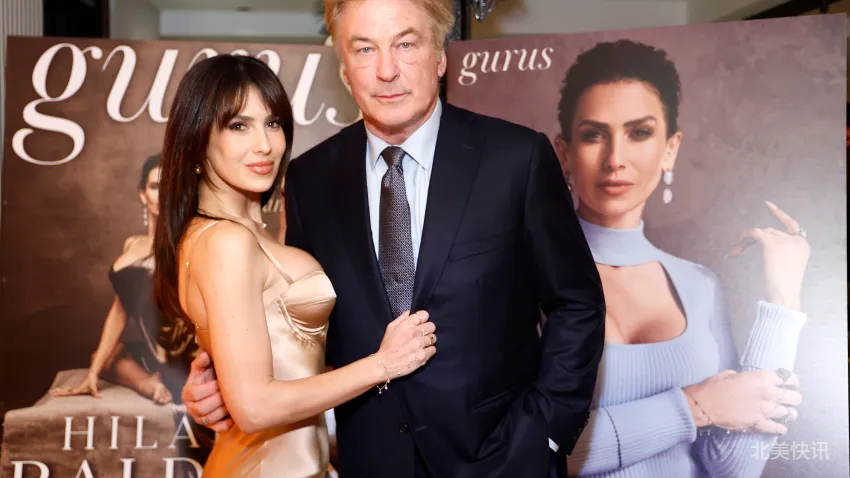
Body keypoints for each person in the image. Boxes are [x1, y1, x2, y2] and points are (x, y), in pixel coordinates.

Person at [182, 0, 607, 477]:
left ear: (440, 56)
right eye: (364, 49)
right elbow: (304, 319)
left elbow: (576, 302)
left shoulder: (516, 158)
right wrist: (222, 377)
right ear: (344, 70)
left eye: (406, 44)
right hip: (370, 462)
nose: (386, 71)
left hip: (504, 461)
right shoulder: (310, 178)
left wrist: (545, 433)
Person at [152, 53, 436, 478]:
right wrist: (383, 364)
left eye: (272, 123)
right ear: (198, 137)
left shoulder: (231, 233)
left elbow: (281, 357)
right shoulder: (227, 241)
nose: (265, 144)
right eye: (238, 126)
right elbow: (254, 408)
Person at [550, 39, 810, 477]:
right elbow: (526, 453)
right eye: (594, 134)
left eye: (639, 133)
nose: (615, 159)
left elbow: (733, 470)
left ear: (670, 149)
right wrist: (694, 406)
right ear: (564, 153)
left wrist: (782, 305)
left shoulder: (700, 285)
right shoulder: (523, 279)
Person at [52, 154, 194, 405]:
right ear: (143, 195)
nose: (163, 194)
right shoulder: (132, 244)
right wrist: (92, 374)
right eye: (155, 186)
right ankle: (148, 383)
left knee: (119, 356)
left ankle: (155, 380)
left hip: (177, 352)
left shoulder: (186, 243)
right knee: (103, 356)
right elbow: (120, 310)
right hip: (149, 346)